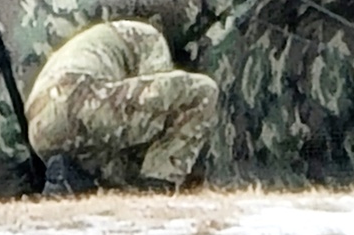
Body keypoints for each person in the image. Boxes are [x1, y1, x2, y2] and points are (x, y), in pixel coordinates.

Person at [24, 20, 219, 195]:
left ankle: (68, 177)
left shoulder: (95, 40)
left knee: (113, 148)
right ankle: (158, 186)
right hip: (82, 97)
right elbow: (158, 106)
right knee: (203, 91)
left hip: (41, 128)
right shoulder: (150, 37)